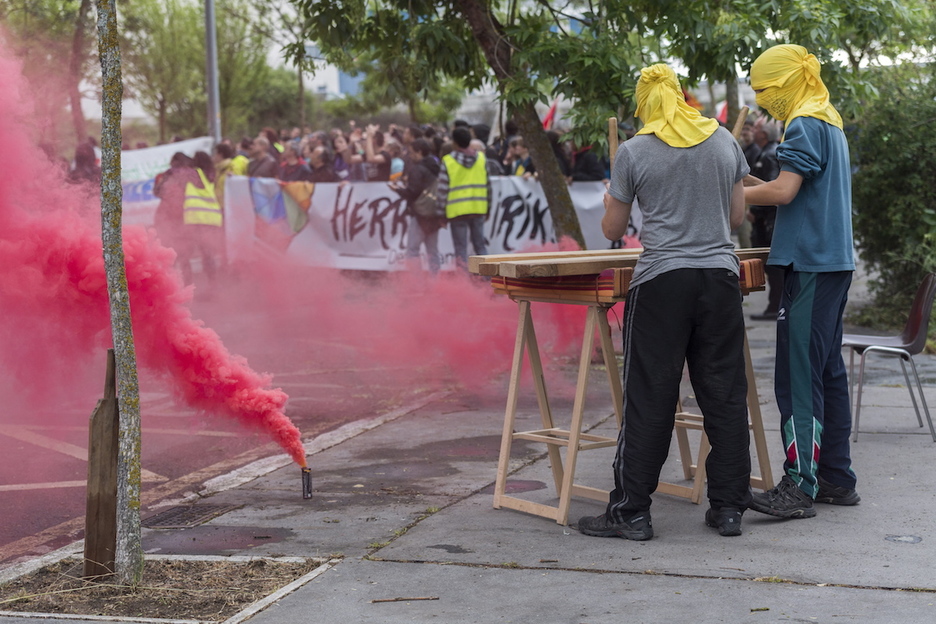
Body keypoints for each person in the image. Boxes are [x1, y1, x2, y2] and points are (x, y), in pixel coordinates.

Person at [577, 63, 751, 540]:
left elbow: (612, 231)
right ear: (680, 95)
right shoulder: (722, 141)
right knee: (724, 395)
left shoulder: (633, 150)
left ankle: (631, 511)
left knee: (650, 397)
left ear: (644, 104)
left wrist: (622, 191)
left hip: (661, 284)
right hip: (719, 280)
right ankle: (729, 507)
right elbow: (736, 217)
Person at [743, 44, 859, 519]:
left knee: (798, 379)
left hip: (811, 263)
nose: (763, 102)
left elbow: (785, 191)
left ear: (788, 82)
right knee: (826, 371)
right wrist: (742, 177)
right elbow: (791, 185)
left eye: (766, 90)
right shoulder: (828, 119)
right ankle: (835, 476)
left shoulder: (805, 122)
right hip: (830, 263)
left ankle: (799, 486)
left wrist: (736, 188)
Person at [437, 126, 490, 271]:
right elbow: (488, 186)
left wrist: (441, 215)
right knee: (480, 246)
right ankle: (488, 281)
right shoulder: (481, 159)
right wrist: (488, 209)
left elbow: (442, 190)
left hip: (457, 211)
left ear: (454, 143)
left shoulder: (448, 161)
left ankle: (463, 286)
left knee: (460, 250)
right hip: (478, 208)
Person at [389, 138, 443, 274]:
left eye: (412, 152)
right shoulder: (436, 166)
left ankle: (416, 284)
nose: (410, 155)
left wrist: (396, 189)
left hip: (419, 215)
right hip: (434, 213)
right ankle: (435, 282)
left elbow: (412, 192)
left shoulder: (417, 169)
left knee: (412, 250)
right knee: (433, 250)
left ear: (419, 152)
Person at [747, 119, 784, 320]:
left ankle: (775, 307)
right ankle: (775, 305)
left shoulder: (770, 155)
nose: (753, 131)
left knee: (774, 266)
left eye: (756, 128)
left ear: (764, 134)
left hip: (769, 222)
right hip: (766, 220)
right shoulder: (766, 152)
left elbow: (771, 188)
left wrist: (756, 210)